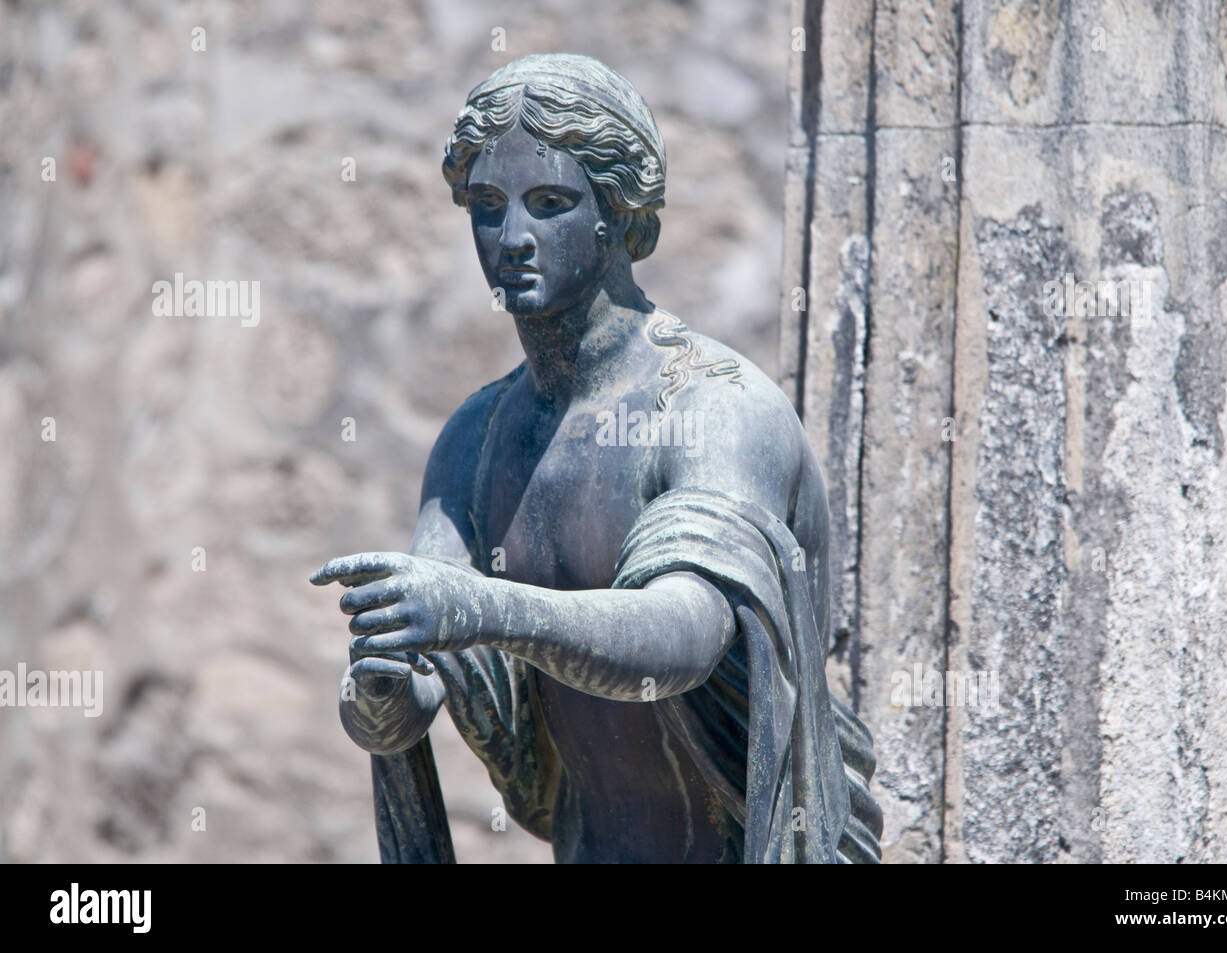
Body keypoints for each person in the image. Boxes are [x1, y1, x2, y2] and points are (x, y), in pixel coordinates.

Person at [311, 53, 882, 863]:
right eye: (486, 206)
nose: (512, 238)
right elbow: (418, 687)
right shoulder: (474, 439)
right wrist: (382, 686)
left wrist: (480, 607)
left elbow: (684, 632)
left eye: (550, 204)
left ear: (623, 218)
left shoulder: (713, 406)